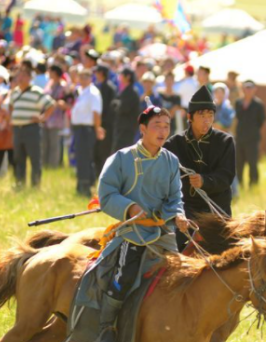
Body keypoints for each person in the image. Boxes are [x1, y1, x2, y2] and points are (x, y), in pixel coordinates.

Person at [79, 105, 188, 341]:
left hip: (163, 232)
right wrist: (132, 209)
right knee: (123, 277)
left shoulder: (171, 160)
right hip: (133, 231)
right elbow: (107, 193)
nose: (162, 131)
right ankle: (107, 326)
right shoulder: (121, 158)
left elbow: (175, 197)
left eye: (166, 126)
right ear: (142, 129)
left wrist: (178, 215)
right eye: (156, 126)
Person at [165, 86, 236, 250]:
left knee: (223, 254)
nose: (206, 120)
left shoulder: (225, 142)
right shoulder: (174, 144)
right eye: (201, 115)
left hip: (216, 209)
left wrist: (205, 181)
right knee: (177, 249)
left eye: (210, 115)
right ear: (190, 117)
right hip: (185, 209)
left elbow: (226, 177)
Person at [10, 67, 54, 189]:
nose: (20, 78)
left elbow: (51, 105)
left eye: (23, 75)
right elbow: (11, 106)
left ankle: (35, 185)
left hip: (31, 129)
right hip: (17, 129)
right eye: (19, 75)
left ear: (30, 78)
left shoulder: (36, 91)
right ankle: (20, 183)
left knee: (35, 158)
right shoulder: (15, 92)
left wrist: (42, 118)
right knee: (19, 158)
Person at [71, 69, 103, 197]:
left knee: (84, 158)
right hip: (79, 128)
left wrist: (97, 128)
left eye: (85, 76)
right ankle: (82, 185)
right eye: (81, 76)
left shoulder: (93, 93)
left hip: (87, 129)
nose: (82, 79)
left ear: (91, 78)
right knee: (80, 158)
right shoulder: (81, 91)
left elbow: (96, 113)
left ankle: (85, 187)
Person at [235, 80, 265, 188]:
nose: (248, 90)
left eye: (250, 88)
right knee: (239, 162)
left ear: (254, 89)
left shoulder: (259, 105)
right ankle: (239, 184)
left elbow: (261, 121)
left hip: (252, 138)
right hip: (240, 137)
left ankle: (253, 184)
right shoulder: (238, 102)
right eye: (246, 88)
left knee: (252, 163)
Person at [94, 65, 117, 177]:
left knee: (104, 151)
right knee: (97, 151)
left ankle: (104, 175)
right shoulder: (98, 87)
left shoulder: (109, 88)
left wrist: (102, 122)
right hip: (100, 123)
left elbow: (109, 108)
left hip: (106, 125)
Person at [42, 64, 67, 168]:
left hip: (56, 119)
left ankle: (53, 166)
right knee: (44, 143)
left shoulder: (63, 86)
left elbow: (65, 103)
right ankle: (44, 165)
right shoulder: (48, 84)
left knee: (54, 144)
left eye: (51, 71)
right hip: (45, 118)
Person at [111, 68, 140, 152]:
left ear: (128, 77)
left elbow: (123, 108)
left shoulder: (131, 92)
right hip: (122, 128)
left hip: (127, 129)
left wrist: (117, 104)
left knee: (123, 152)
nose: (119, 77)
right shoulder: (125, 91)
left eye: (121, 75)